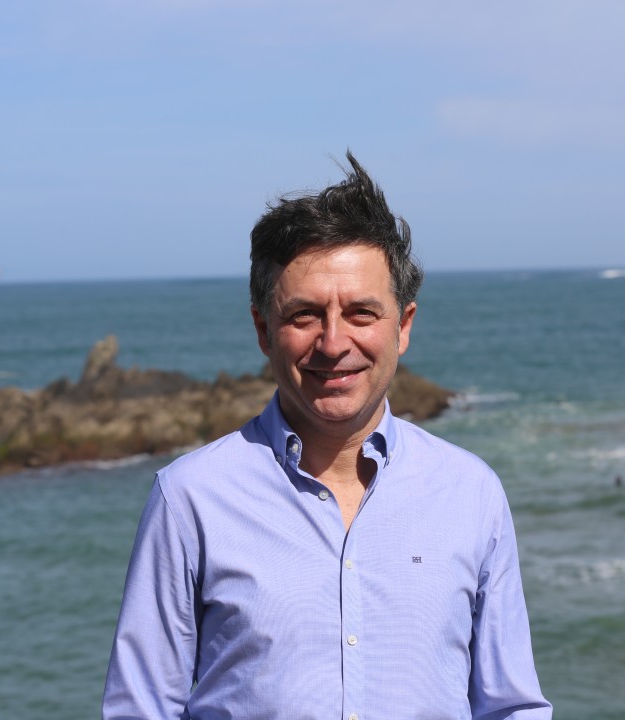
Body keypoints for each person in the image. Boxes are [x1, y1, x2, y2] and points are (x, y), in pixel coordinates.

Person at [102, 153, 551, 719]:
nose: (334, 343)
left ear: (403, 326)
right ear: (263, 329)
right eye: (305, 315)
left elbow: (511, 707)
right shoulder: (190, 499)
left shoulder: (471, 492)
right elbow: (140, 709)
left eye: (361, 313)